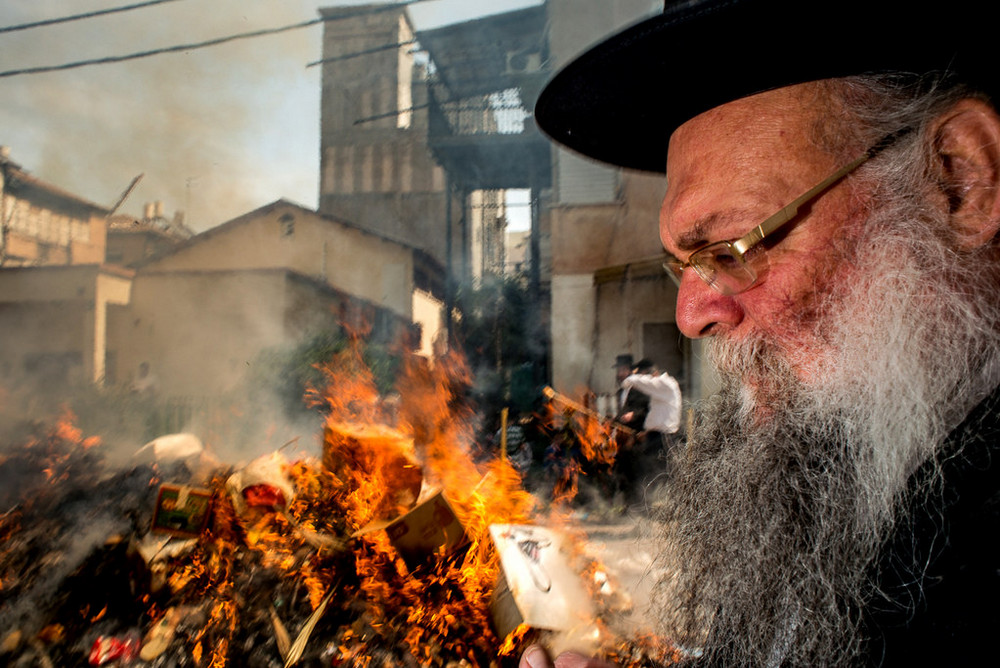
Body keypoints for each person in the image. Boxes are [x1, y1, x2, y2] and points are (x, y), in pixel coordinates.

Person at [521, 0, 1000, 666]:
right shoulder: (854, 451)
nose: (691, 315)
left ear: (959, 178)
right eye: (684, 264)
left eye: (731, 246)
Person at [620, 358, 683, 501]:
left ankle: (651, 505)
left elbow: (646, 383)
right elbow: (656, 415)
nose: (644, 377)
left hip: (664, 437)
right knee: (651, 470)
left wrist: (630, 379)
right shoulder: (661, 389)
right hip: (657, 436)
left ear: (651, 373)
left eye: (644, 374)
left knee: (654, 471)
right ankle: (648, 504)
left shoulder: (666, 384)